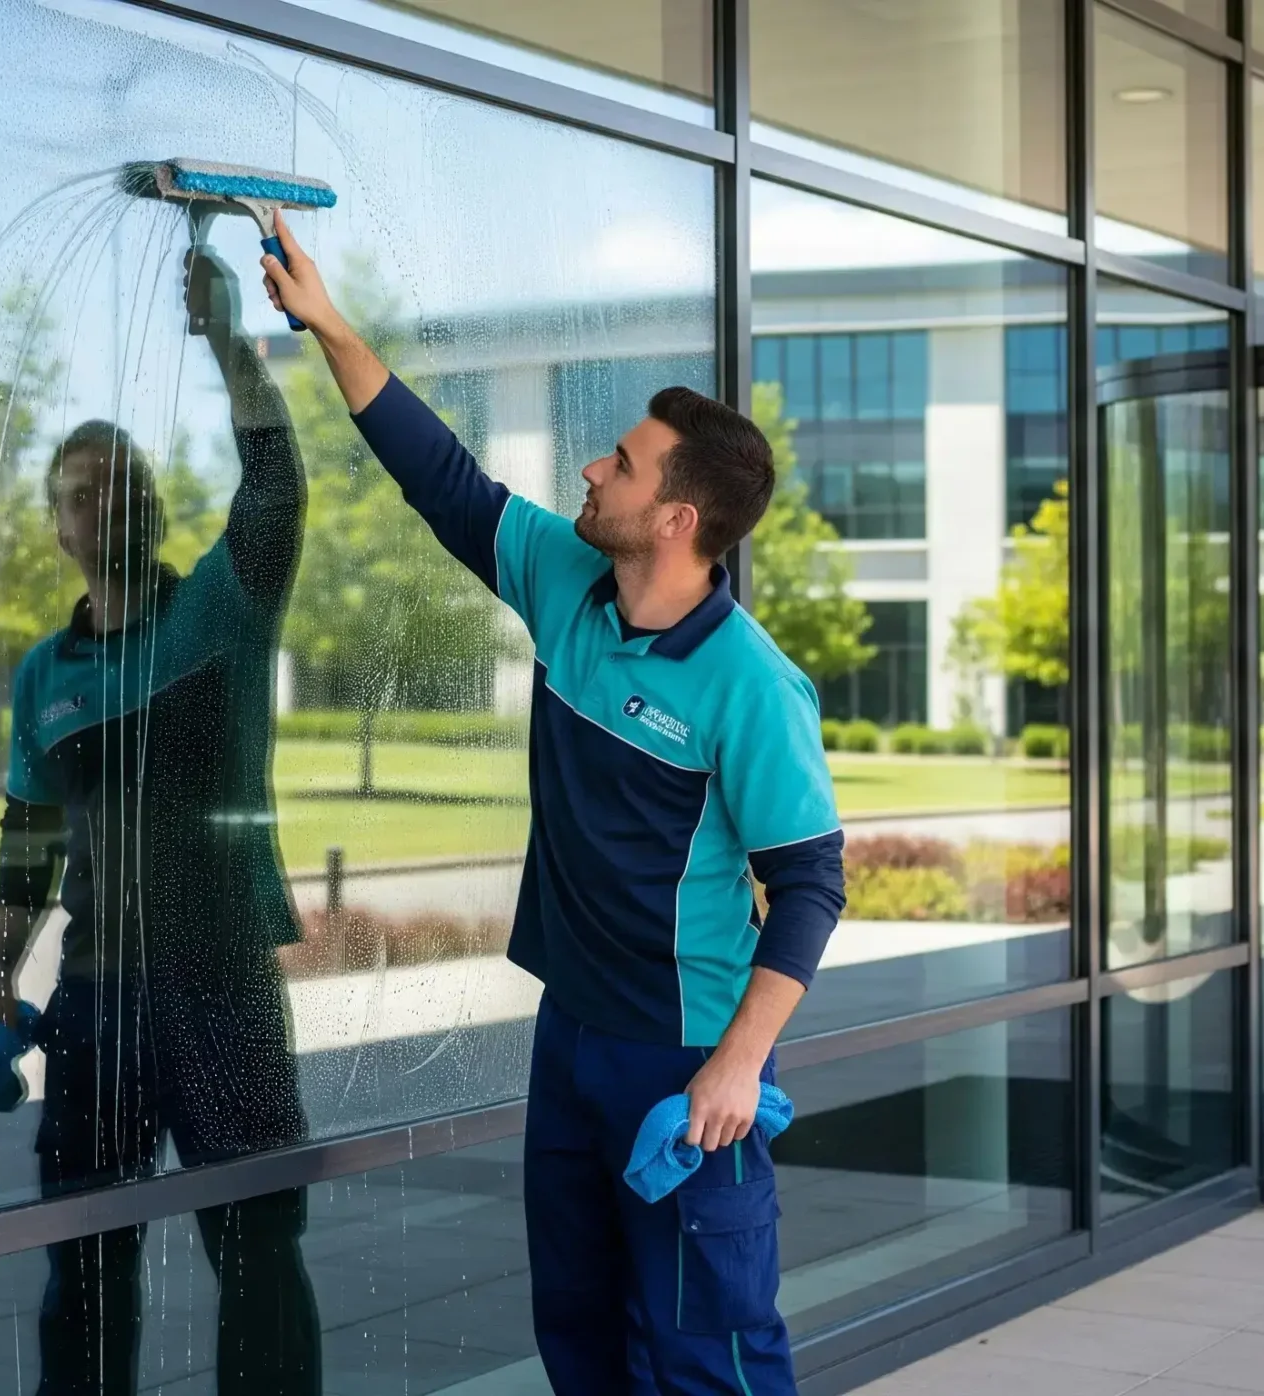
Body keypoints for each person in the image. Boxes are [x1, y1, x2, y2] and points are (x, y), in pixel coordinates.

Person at [256, 212, 845, 1393]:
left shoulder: (750, 686)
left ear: (677, 520)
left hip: (685, 1056)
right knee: (578, 1330)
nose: (591, 467)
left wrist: (738, 1063)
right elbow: (440, 475)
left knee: (707, 1347)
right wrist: (327, 321)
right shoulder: (568, 580)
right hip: (572, 1032)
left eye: (621, 463)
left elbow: (812, 884)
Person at [0, 247, 321, 1396]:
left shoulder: (219, 610)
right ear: (57, 525)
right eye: (80, 490)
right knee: (82, 1263)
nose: (103, 503)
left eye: (123, 483)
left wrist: (228, 342)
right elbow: (27, 843)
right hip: (96, 993)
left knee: (258, 1251)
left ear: (153, 506)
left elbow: (276, 495)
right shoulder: (44, 676)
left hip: (222, 980)